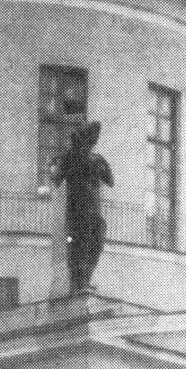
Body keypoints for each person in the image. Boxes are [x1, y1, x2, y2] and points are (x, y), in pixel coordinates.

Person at [53, 120, 112, 294]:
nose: (94, 140)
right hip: (76, 209)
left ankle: (85, 279)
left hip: (94, 209)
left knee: (97, 242)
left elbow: (110, 181)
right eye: (91, 136)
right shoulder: (70, 156)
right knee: (80, 245)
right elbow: (56, 179)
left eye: (95, 137)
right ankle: (78, 283)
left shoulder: (97, 159)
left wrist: (102, 166)